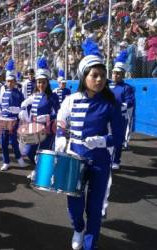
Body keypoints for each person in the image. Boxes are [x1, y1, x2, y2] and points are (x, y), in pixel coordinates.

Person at [54, 38, 124, 250]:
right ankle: (78, 227)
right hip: (75, 157)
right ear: (84, 76)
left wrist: (103, 140)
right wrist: (59, 137)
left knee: (94, 207)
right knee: (74, 204)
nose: (100, 79)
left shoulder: (111, 103)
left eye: (102, 75)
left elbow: (119, 136)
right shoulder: (71, 99)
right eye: (95, 75)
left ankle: (89, 244)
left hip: (100, 160)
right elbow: (61, 120)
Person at [19, 57, 60, 170]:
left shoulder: (53, 97)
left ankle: (42, 174)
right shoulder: (34, 96)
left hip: (47, 130)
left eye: (43, 82)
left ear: (47, 83)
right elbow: (24, 103)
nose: (40, 84)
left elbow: (59, 114)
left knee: (43, 153)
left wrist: (47, 117)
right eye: (38, 82)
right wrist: (23, 110)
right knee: (29, 151)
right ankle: (38, 168)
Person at [0, 58, 27, 171]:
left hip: (14, 121)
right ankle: (6, 161)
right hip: (4, 121)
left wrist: (17, 110)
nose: (9, 83)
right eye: (8, 81)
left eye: (12, 81)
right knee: (3, 142)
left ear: (15, 81)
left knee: (14, 141)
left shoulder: (18, 93)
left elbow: (23, 106)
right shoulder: (3, 91)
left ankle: (19, 160)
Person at [110, 50, 136, 169]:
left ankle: (116, 161)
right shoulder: (106, 85)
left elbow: (130, 101)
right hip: (106, 116)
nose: (116, 75)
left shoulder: (126, 88)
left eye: (119, 73)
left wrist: (120, 106)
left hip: (119, 118)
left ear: (123, 75)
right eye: (114, 73)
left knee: (117, 140)